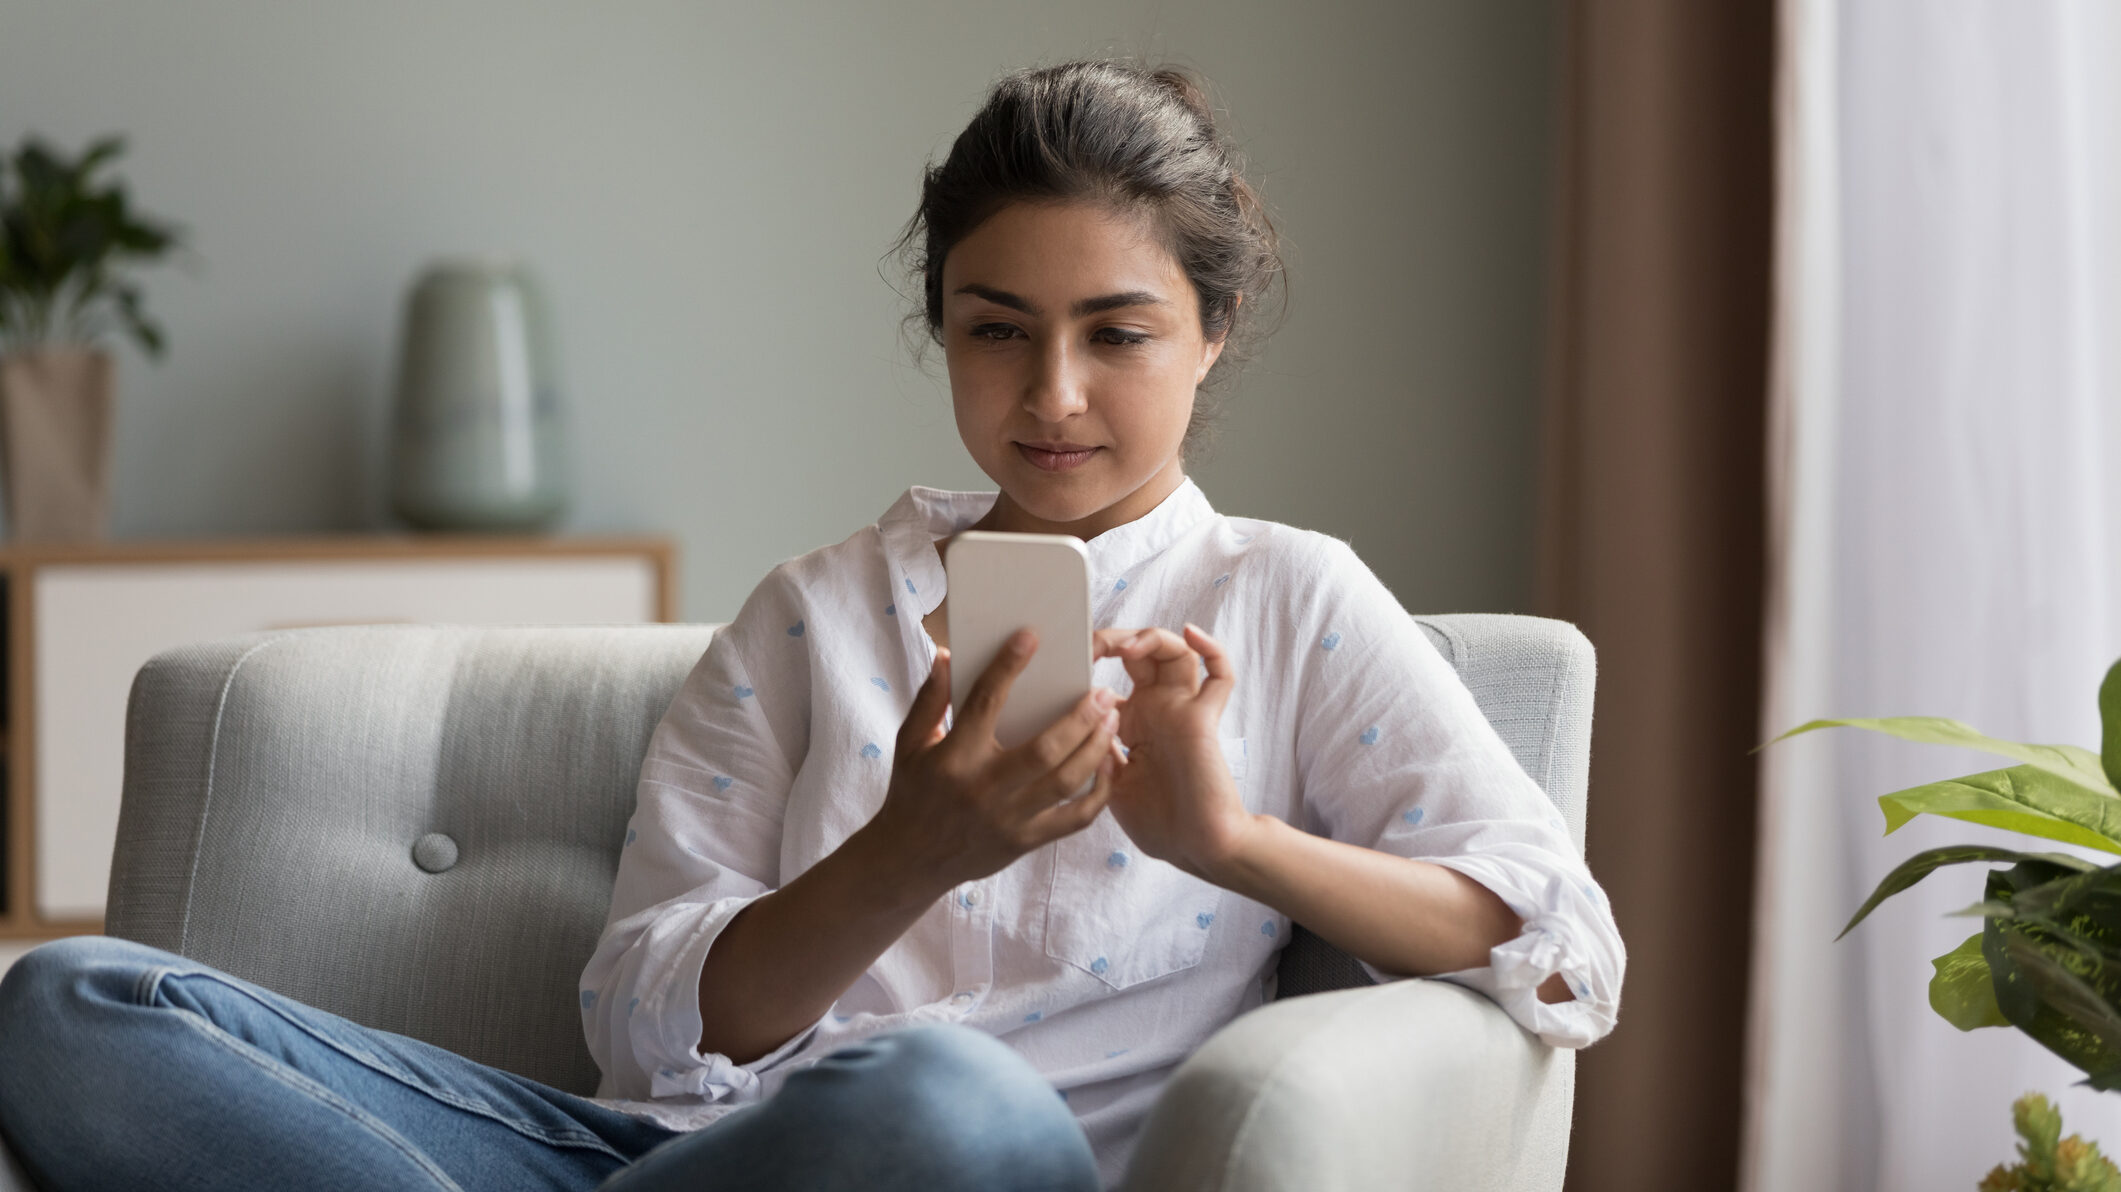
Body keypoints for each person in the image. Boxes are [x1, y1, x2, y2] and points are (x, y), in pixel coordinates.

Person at [0, 60, 1623, 1192]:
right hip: (677, 1164)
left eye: (1115, 334)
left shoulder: (1287, 598)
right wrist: (910, 852)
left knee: (935, 1100)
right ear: (941, 334)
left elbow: (1552, 944)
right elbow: (642, 1027)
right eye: (998, 332)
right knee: (68, 1007)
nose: (1051, 395)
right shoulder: (809, 616)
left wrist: (1228, 838)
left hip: (966, 1164)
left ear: (1211, 334)